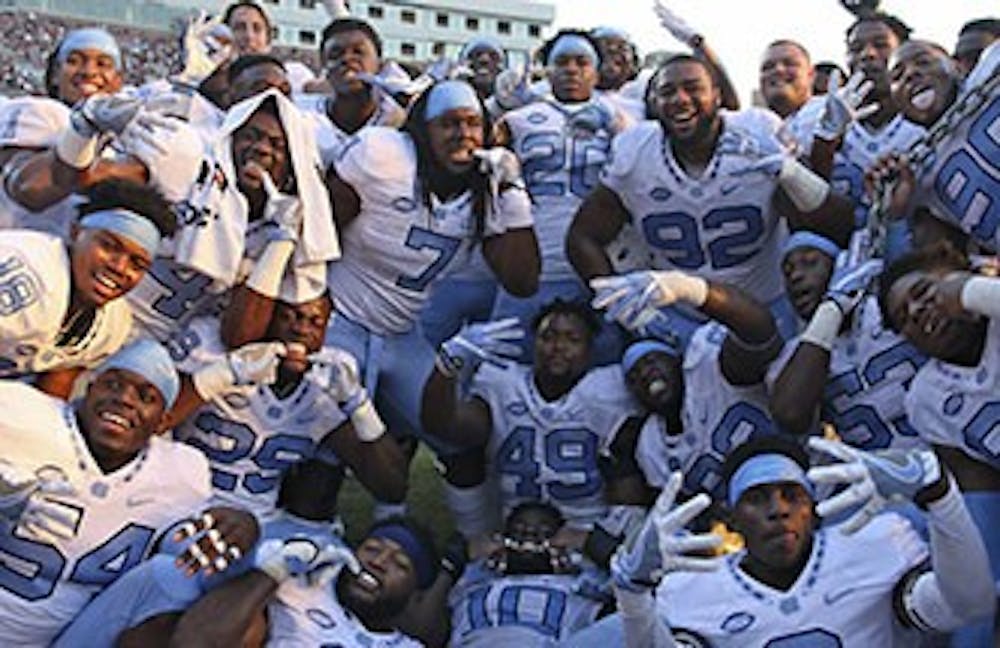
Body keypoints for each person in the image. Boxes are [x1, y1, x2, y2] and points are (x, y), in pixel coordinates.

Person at [567, 54, 854, 346]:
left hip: (765, 303)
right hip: (677, 314)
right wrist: (626, 308)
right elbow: (582, 237)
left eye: (693, 88)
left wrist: (795, 170)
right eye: (667, 92)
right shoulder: (635, 150)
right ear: (653, 102)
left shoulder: (755, 134)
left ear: (717, 96)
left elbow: (829, 226)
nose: (680, 99)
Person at [609, 436, 995, 646]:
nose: (778, 509)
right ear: (731, 519)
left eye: (791, 494)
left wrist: (940, 498)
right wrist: (632, 595)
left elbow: (969, 605)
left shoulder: (874, 546)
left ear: (813, 505)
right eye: (757, 498)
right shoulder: (694, 589)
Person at [0, 339, 257, 644]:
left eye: (146, 397)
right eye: (112, 384)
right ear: (89, 388)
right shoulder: (22, 414)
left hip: (72, 638)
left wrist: (245, 529)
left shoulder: (180, 474)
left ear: (162, 421)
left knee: (172, 577)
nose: (124, 399)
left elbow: (197, 571)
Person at [422, 300, 645, 567]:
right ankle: (471, 537)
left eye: (572, 339)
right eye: (548, 337)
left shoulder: (609, 388)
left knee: (626, 465)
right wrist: (447, 367)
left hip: (587, 524)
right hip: (510, 522)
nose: (558, 347)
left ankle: (621, 549)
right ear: (534, 344)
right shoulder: (503, 382)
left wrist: (600, 537)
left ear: (589, 350)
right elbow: (443, 425)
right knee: (460, 456)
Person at [165, 292, 408, 518]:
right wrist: (222, 375)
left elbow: (392, 488)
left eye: (315, 322)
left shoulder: (324, 387)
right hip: (181, 507)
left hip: (262, 524)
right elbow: (148, 425)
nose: (301, 330)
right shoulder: (211, 350)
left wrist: (359, 405)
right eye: (289, 316)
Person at [126, 89, 338, 344]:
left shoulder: (287, 222)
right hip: (117, 310)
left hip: (174, 343)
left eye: (277, 145)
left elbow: (239, 336)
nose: (261, 149)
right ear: (229, 141)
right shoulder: (191, 172)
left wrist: (281, 243)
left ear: (293, 167)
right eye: (250, 136)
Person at [880, 242, 1000, 644]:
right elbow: (980, 494)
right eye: (904, 318)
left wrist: (970, 292)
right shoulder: (927, 396)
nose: (916, 312)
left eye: (923, 293)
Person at [491, 30, 630, 361]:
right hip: (531, 265)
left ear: (597, 71)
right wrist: (496, 104)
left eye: (582, 62)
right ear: (547, 70)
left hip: (596, 269)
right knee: (504, 364)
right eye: (562, 62)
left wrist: (616, 126)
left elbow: (645, 161)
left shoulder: (620, 117)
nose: (572, 70)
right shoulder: (517, 118)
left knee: (604, 369)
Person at [597, 270, 783, 502]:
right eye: (633, 377)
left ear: (678, 361)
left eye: (653, 361)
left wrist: (689, 289)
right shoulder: (651, 443)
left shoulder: (709, 369)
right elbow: (671, 505)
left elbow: (759, 332)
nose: (645, 374)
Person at [0, 27, 202, 240]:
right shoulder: (38, 111)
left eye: (103, 64)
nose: (88, 71)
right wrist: (140, 169)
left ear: (118, 80)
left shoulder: (124, 136)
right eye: (74, 60)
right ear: (54, 75)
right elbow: (30, 189)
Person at [0, 179, 174, 398]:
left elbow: (54, 389)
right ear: (76, 232)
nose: (120, 267)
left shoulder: (114, 324)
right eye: (109, 246)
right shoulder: (28, 272)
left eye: (137, 264)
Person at [169, 516, 437, 646]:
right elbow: (193, 641)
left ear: (415, 594)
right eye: (372, 549)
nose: (378, 562)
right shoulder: (302, 585)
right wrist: (276, 569)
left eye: (400, 564)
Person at [768, 232, 927, 450]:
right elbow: (790, 414)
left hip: (943, 455)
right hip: (872, 473)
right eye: (788, 271)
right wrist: (833, 307)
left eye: (810, 262)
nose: (796, 275)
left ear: (839, 268)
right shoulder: (797, 356)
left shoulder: (887, 308)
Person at [868, 38, 998, 252]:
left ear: (955, 66)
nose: (911, 74)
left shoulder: (992, 69)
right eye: (897, 77)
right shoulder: (915, 175)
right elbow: (924, 265)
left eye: (924, 62)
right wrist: (895, 212)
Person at [807, 10, 925, 230]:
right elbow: (812, 205)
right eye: (855, 49)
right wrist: (825, 139)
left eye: (880, 45)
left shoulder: (925, 120)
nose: (867, 55)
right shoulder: (816, 119)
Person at [448, 502, 609, 645]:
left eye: (544, 531)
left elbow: (631, 592)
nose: (530, 533)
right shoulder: (473, 581)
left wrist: (593, 543)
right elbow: (427, 632)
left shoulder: (581, 586)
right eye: (519, 530)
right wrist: (452, 564)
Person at [298, 17, 407, 170]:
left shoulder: (399, 120)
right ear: (324, 68)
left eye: (359, 52)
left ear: (380, 64)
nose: (347, 59)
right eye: (336, 54)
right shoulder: (303, 117)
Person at [224, 1, 316, 93]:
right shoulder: (217, 83)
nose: (249, 36)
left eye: (257, 28)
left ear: (268, 38)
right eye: (239, 27)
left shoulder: (293, 73)